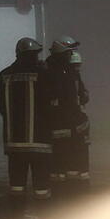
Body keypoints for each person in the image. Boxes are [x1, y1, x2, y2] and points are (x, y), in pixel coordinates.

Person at [0, 37, 52, 219]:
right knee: (42, 187)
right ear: (33, 54)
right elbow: (53, 100)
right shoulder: (43, 74)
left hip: (14, 144)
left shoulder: (5, 75)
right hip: (41, 142)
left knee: (16, 186)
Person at [44, 35, 83, 183]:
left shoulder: (68, 71)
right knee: (57, 163)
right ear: (62, 52)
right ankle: (59, 193)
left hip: (70, 125)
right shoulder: (50, 71)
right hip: (57, 125)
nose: (71, 55)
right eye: (69, 52)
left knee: (69, 163)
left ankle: (70, 192)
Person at [66, 51, 91, 185]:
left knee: (74, 153)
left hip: (77, 122)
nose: (77, 68)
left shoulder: (68, 77)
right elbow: (84, 97)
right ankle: (82, 180)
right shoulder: (75, 78)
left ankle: (76, 181)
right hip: (80, 122)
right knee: (80, 152)